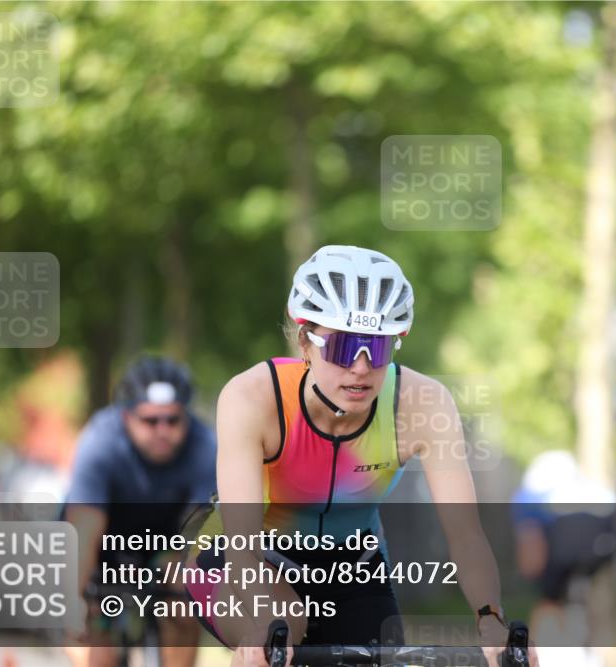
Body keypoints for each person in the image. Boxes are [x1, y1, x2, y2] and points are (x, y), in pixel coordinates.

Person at [183, 245, 537, 667]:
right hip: (244, 560)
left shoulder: (423, 404)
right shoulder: (252, 397)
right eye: (344, 346)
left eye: (378, 347)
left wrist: (491, 621)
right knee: (280, 632)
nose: (361, 366)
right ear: (305, 342)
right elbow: (243, 545)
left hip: (353, 567)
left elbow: (465, 534)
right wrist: (262, 628)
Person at [64, 356, 217, 667]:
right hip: (105, 539)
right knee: (93, 625)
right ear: (126, 416)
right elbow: (85, 527)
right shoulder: (100, 441)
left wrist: (187, 580)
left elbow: (202, 530)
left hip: (167, 540)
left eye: (173, 420)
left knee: (184, 605)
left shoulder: (205, 446)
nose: (162, 430)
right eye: (150, 421)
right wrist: (75, 597)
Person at [511, 450, 616, 667]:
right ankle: (588, 652)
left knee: (548, 599)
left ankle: (537, 655)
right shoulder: (593, 491)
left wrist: (532, 574)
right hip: (599, 550)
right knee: (579, 596)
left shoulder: (529, 497)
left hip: (561, 553)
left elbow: (529, 539)